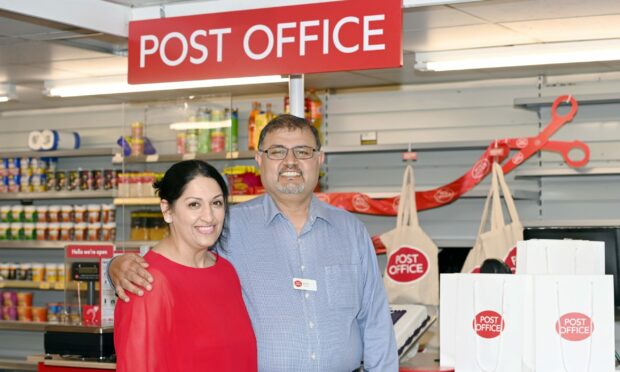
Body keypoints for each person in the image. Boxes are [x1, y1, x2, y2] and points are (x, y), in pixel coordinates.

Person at [110, 114, 398, 371]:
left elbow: (375, 324)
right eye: (277, 152)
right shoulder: (227, 227)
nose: (290, 162)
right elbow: (179, 259)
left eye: (303, 151)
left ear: (319, 160)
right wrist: (118, 265)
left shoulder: (351, 232)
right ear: (259, 160)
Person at [113, 160, 256, 372]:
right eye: (194, 204)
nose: (209, 216)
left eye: (216, 203)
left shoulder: (226, 271)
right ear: (167, 210)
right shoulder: (146, 280)